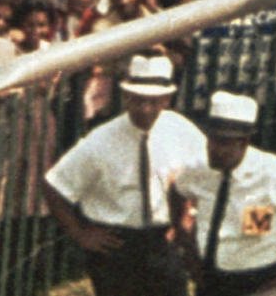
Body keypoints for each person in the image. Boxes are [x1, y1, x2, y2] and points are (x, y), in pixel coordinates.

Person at [43, 54, 203, 296]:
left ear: (167, 100)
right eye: (137, 100)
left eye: (154, 101)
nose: (145, 109)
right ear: (126, 97)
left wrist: (187, 216)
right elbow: (54, 185)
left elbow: (205, 173)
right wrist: (81, 233)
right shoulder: (100, 141)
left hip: (163, 241)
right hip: (115, 247)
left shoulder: (181, 130)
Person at [171, 89, 276, 294]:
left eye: (224, 142)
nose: (213, 148)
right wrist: (184, 236)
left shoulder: (273, 172)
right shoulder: (199, 169)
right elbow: (176, 191)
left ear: (244, 142)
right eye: (211, 139)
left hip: (262, 281)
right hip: (211, 279)